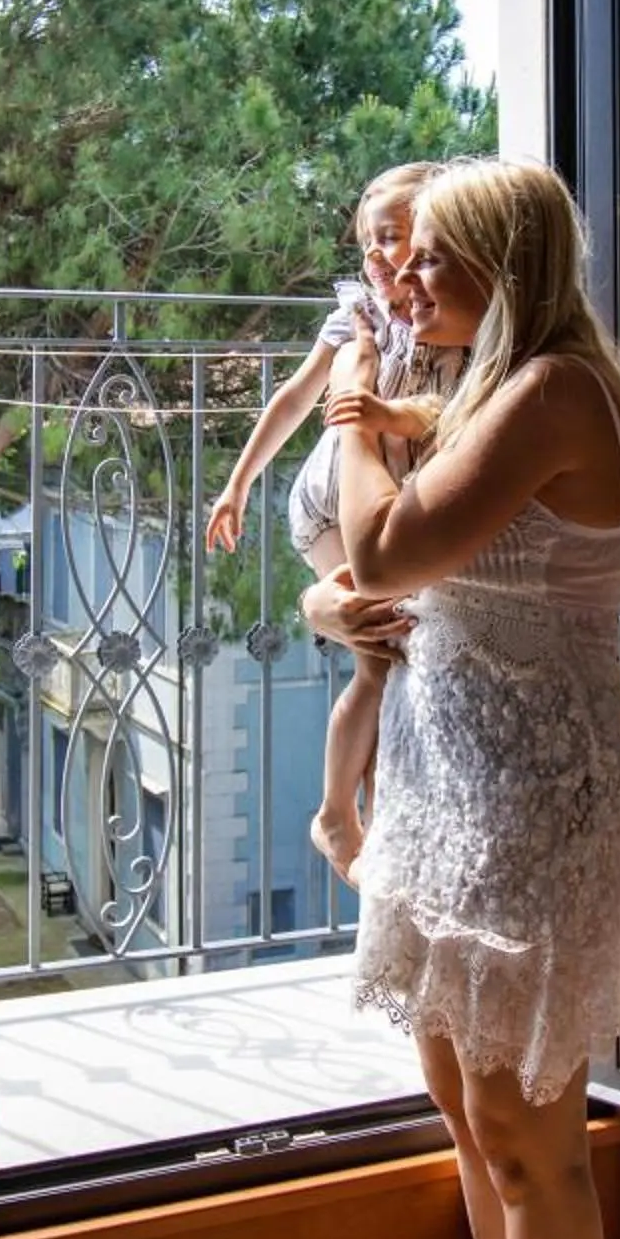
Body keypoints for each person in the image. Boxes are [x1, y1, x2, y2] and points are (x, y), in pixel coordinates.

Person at [308, 156, 620, 1239]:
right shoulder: (485, 394)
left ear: (506, 265)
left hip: (533, 809)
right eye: (399, 266)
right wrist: (339, 596)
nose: (403, 286)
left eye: (431, 263)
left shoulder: (557, 393)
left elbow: (388, 535)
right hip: (455, 796)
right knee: (477, 1128)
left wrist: (341, 403)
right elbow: (360, 571)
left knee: (533, 1152)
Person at [206, 162, 446, 884]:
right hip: (334, 499)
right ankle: (340, 813)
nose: (379, 259)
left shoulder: (441, 316)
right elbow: (293, 396)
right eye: (371, 244)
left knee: (385, 661)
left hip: (377, 501)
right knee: (385, 660)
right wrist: (237, 482)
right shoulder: (362, 319)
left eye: (396, 239)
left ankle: (360, 815)